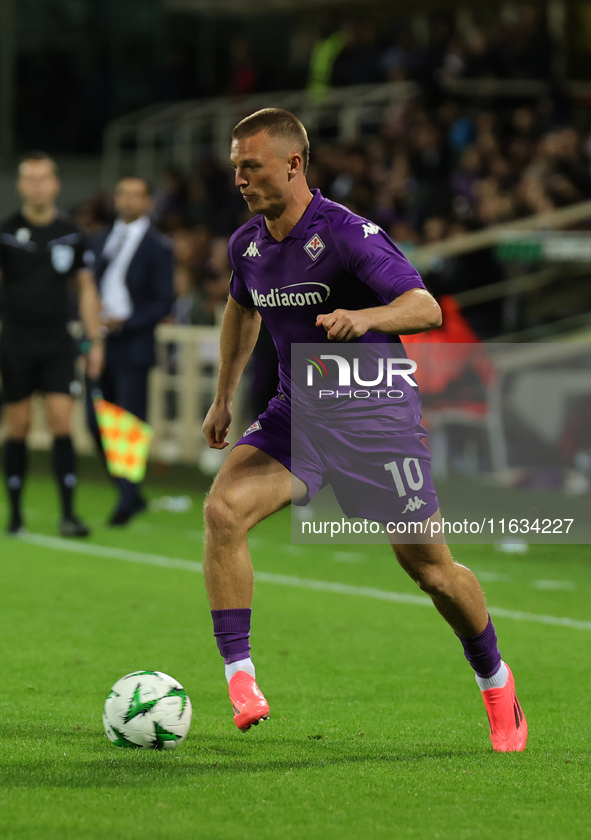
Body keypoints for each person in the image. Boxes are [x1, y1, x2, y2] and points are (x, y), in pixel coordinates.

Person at [202, 108, 527, 753]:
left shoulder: (348, 236)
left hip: (376, 419)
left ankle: (496, 680)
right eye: (235, 168)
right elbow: (242, 312)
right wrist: (223, 398)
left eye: (251, 166)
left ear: (293, 164)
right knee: (223, 511)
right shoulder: (249, 245)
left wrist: (367, 317)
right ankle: (242, 681)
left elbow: (425, 306)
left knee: (432, 571)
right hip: (300, 414)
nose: (239, 179)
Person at [0, 152, 104, 537]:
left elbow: (86, 289)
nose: (38, 185)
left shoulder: (71, 233)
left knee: (62, 422)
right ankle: (14, 516)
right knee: (19, 425)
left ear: (55, 184)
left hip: (58, 339)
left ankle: (68, 514)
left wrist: (94, 341)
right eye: (30, 179)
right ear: (20, 185)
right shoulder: (7, 232)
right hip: (16, 339)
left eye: (44, 178)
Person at [87, 177, 174, 525]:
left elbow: (163, 300)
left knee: (129, 424)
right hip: (97, 342)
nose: (127, 200)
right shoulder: (98, 240)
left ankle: (126, 499)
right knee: (94, 423)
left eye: (136, 195)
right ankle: (130, 493)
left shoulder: (158, 247)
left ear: (148, 202)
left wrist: (125, 322)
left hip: (132, 342)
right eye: (122, 193)